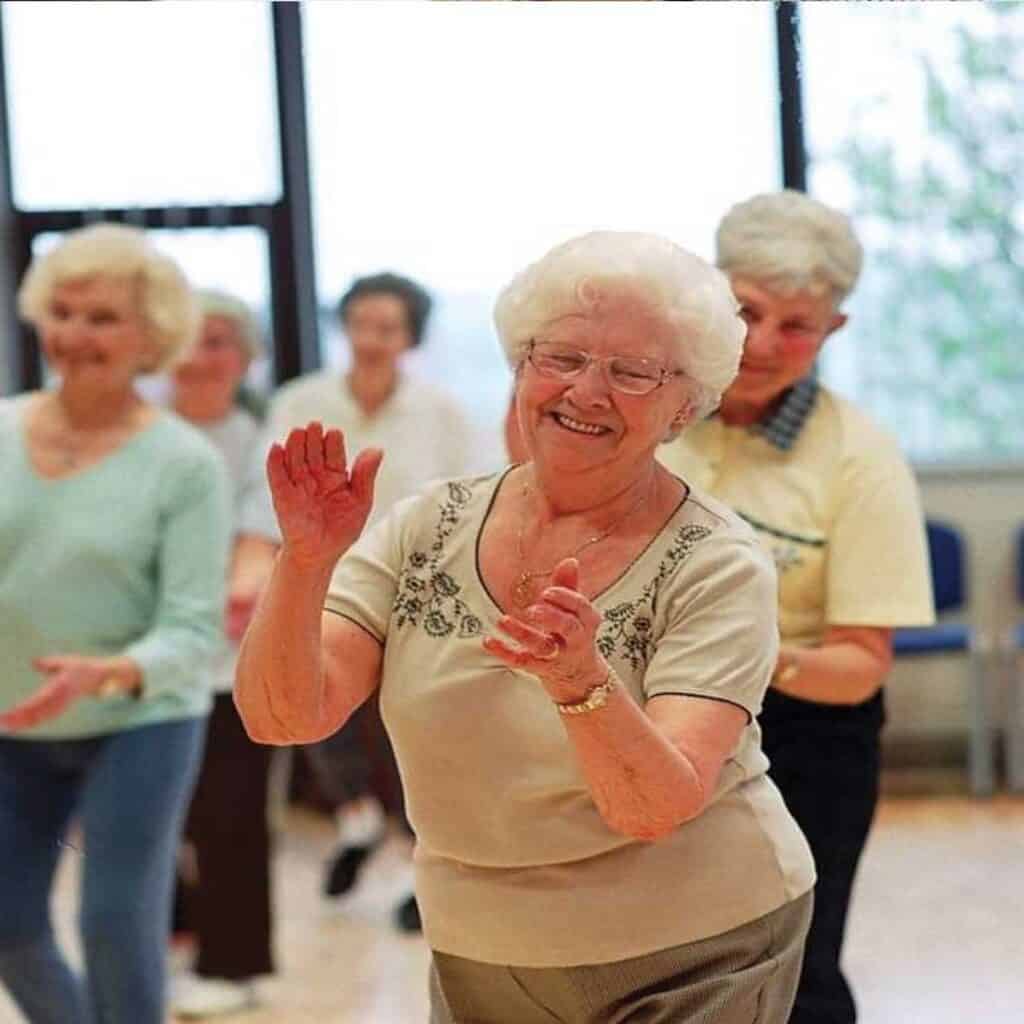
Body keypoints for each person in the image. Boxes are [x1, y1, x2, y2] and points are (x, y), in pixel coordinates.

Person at [235, 230, 817, 1023]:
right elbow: (283, 715)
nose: (586, 392)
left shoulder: (718, 561)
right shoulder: (426, 525)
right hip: (485, 948)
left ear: (685, 408)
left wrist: (582, 682)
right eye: (562, 358)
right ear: (520, 366)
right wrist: (304, 564)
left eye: (632, 371)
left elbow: (655, 806)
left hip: (695, 944)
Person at [658, 190, 935, 1024]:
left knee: (790, 976)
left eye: (799, 326)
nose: (765, 344)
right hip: (640, 728)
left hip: (802, 744)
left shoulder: (862, 459)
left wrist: (736, 655)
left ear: (835, 332)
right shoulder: (649, 410)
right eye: (747, 311)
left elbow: (859, 666)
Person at [0, 224, 231, 1024]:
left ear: (151, 335)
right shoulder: (0, 431)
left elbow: (194, 626)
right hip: (13, 720)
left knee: (115, 923)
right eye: (61, 312)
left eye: (101, 318)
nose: (73, 335)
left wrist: (109, 671)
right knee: (8, 924)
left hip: (142, 719)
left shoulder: (184, 464)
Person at [234, 271, 478, 932]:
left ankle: (418, 868)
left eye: (388, 327)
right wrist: (254, 570)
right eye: (361, 324)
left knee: (411, 736)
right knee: (311, 713)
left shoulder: (444, 412)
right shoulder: (299, 400)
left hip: (414, 595)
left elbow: (466, 508)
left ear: (410, 337)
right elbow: (265, 497)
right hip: (319, 585)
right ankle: (356, 821)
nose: (371, 340)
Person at [168, 290, 276, 1018]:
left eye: (217, 343)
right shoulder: (140, 433)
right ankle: (174, 935)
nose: (201, 357)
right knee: (157, 819)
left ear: (242, 358)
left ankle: (232, 961)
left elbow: (257, 549)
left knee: (230, 817)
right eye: (189, 340)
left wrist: (236, 592)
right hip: (132, 668)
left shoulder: (257, 439)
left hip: (228, 667)